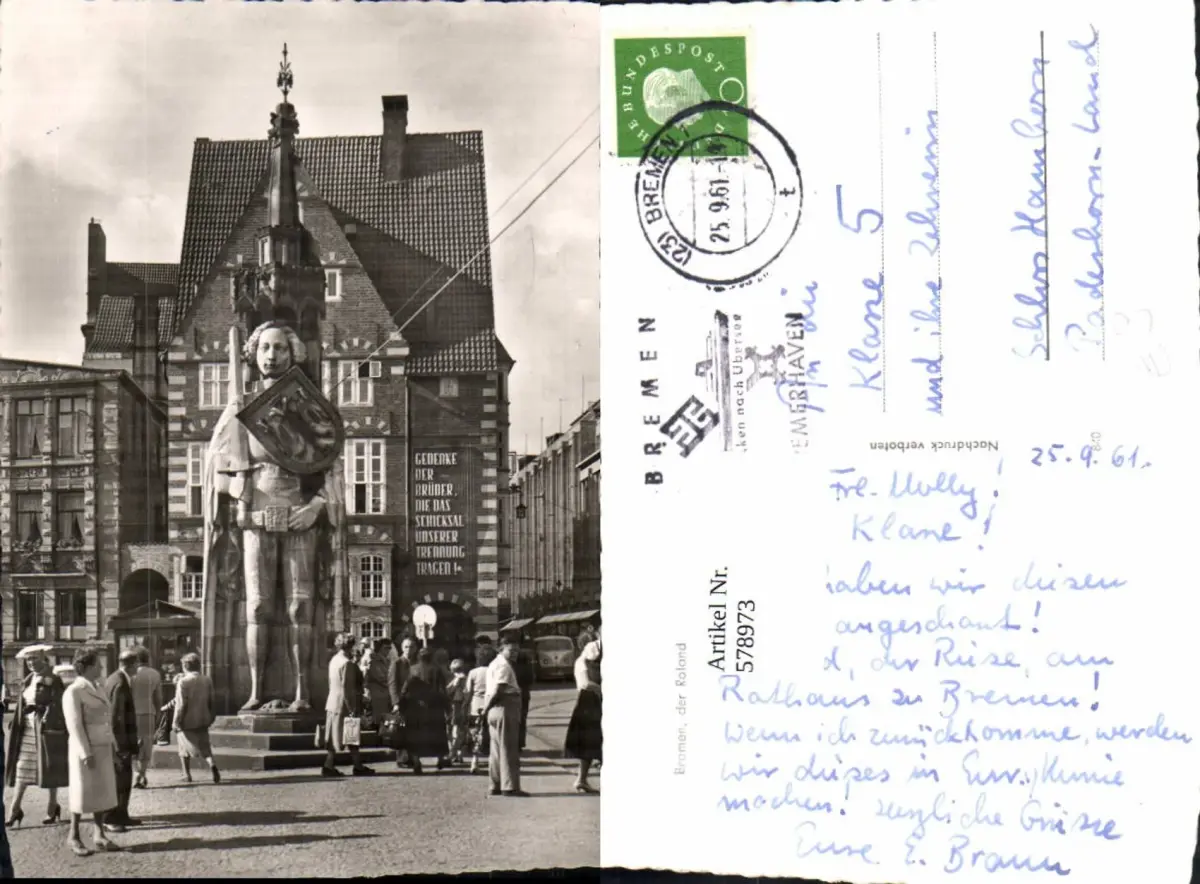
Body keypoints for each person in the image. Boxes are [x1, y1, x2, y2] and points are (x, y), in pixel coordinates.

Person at [62, 649, 121, 856]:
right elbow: (75, 726)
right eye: (98, 664)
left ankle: (99, 834)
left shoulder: (98, 687)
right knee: (81, 791)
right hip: (85, 749)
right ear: (87, 667)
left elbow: (107, 721)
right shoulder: (74, 691)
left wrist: (113, 746)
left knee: (101, 790)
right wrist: (85, 753)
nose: (101, 667)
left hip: (103, 746)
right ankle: (74, 836)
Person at [5, 645, 68, 828]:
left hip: (45, 730)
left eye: (34, 659)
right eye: (28, 660)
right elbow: (22, 703)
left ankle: (52, 806)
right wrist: (17, 717)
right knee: (22, 767)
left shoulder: (53, 679)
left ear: (43, 658)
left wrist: (43, 709)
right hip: (26, 729)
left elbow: (59, 703)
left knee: (48, 766)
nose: (31, 663)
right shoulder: (29, 679)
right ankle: (15, 809)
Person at [323, 633, 374, 778]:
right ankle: (355, 766)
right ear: (350, 646)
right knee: (351, 735)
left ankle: (330, 765)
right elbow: (348, 688)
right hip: (344, 705)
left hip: (333, 702)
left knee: (335, 737)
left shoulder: (334, 660)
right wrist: (352, 708)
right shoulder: (347, 664)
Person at [483, 636, 527, 797]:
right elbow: (499, 689)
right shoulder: (503, 666)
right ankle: (510, 787)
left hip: (495, 710)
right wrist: (486, 708)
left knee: (495, 750)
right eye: (511, 650)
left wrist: (487, 709)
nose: (515, 653)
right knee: (509, 748)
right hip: (505, 707)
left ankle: (495, 785)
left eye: (517, 650)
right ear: (501, 649)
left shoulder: (493, 664)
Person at [103, 649, 141, 831]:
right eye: (137, 664)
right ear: (132, 665)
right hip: (120, 742)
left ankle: (122, 815)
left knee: (122, 780)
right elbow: (116, 718)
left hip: (119, 740)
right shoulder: (120, 682)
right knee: (119, 780)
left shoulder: (114, 679)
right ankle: (112, 818)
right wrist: (120, 747)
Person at [399, 648, 451, 773]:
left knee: (416, 736)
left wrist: (402, 706)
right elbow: (442, 690)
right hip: (435, 708)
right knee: (438, 734)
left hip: (417, 708)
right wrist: (448, 708)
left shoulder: (413, 669)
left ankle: (417, 762)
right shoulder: (436, 669)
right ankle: (440, 759)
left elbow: (405, 689)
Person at [173, 653, 220, 784]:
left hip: (187, 720)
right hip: (203, 718)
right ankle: (212, 764)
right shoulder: (207, 680)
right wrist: (211, 716)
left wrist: (176, 721)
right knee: (205, 747)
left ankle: (187, 774)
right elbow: (212, 700)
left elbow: (181, 704)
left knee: (183, 748)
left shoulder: (183, 682)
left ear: (185, 666)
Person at [564, 638, 603, 793]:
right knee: (590, 742)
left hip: (593, 702)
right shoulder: (582, 663)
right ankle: (581, 779)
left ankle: (582, 779)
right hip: (588, 702)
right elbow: (586, 684)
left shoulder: (591, 662)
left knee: (593, 743)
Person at [130, 647, 162, 790]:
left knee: (132, 743)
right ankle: (142, 773)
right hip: (149, 712)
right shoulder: (154, 674)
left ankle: (136, 772)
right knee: (147, 744)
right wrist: (158, 714)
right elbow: (158, 698)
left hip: (132, 713)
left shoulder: (131, 674)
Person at [464, 645, 496, 774]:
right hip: (491, 706)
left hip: (475, 706)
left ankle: (474, 761)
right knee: (491, 734)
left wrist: (465, 706)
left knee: (475, 734)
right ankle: (492, 761)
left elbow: (468, 691)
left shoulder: (473, 672)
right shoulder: (494, 671)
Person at [387, 636, 418, 768]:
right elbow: (392, 684)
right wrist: (395, 703)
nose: (408, 650)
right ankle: (402, 759)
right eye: (406, 647)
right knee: (401, 730)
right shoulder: (397, 663)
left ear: (415, 648)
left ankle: (411, 757)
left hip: (415, 702)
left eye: (411, 647)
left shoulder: (417, 663)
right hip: (401, 701)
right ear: (401, 648)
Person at [364, 639, 393, 730]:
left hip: (385, 695)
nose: (388, 650)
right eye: (386, 648)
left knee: (385, 723)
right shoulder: (374, 661)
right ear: (380, 648)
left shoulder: (387, 661)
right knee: (378, 722)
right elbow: (381, 678)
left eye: (389, 648)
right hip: (377, 695)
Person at [513, 638, 535, 750]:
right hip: (525, 693)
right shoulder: (527, 666)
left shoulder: (511, 666)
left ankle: (513, 741)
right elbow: (531, 679)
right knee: (523, 718)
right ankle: (520, 743)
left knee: (513, 718)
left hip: (514, 695)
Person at [446, 659, 469, 765]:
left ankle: (453, 753)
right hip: (461, 705)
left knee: (455, 730)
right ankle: (458, 753)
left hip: (457, 705)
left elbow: (449, 691)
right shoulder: (465, 678)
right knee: (459, 730)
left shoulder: (459, 679)